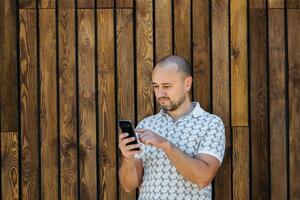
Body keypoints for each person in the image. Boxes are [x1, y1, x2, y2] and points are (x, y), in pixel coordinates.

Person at [118, 55, 226, 199]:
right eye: (156, 86)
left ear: (187, 83)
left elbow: (203, 178)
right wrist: (128, 159)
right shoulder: (146, 125)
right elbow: (128, 185)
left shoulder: (211, 123)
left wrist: (165, 145)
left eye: (167, 86)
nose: (160, 93)